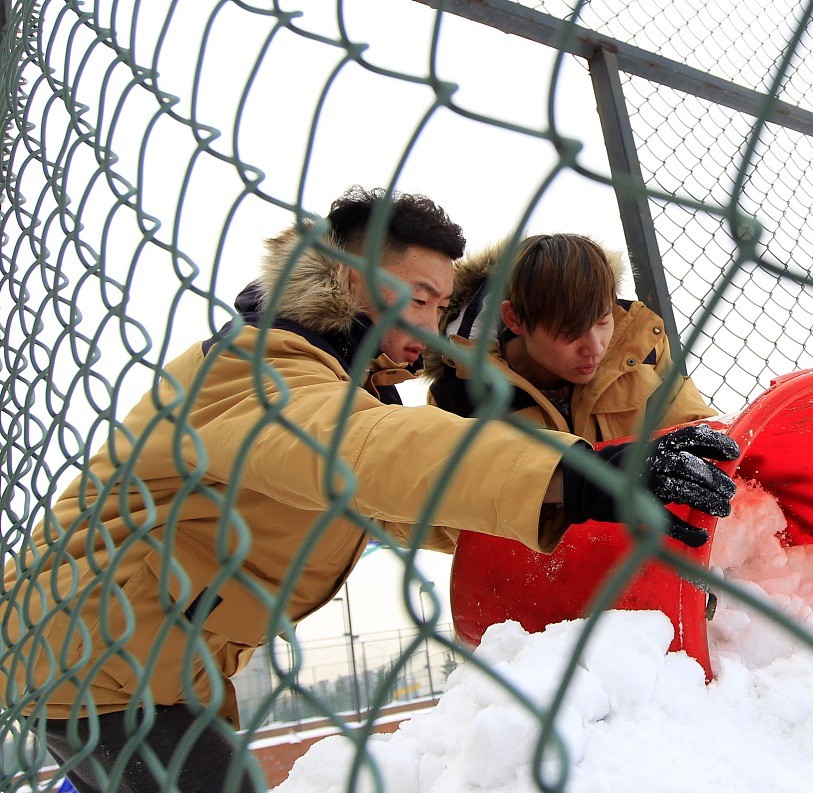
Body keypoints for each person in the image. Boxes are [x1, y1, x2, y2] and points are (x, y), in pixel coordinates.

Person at [1, 188, 740, 793]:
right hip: (101, 646)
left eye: (441, 303)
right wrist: (579, 473)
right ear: (354, 281)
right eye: (418, 299)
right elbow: (370, 449)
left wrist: (554, 496)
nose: (432, 325)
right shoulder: (262, 369)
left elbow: (416, 506)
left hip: (129, 649)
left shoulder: (343, 386)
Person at [424, 233, 717, 445]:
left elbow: (693, 425)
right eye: (570, 331)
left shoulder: (641, 344)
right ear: (515, 319)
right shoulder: (459, 394)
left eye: (603, 320)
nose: (595, 347)